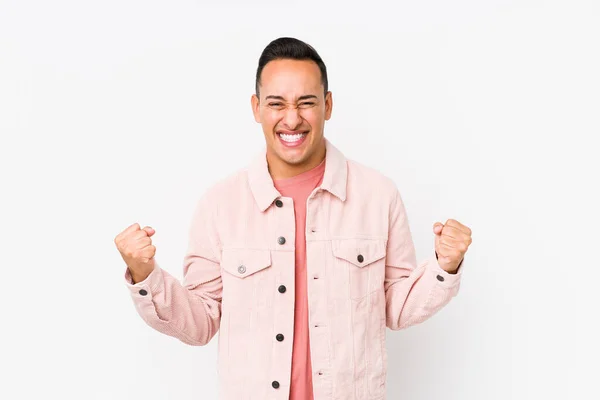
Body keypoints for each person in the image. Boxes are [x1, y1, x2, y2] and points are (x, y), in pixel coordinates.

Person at [114, 37, 473, 400]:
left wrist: (445, 265)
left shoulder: (378, 196)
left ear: (328, 105)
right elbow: (201, 322)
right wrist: (146, 276)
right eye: (276, 103)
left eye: (306, 103)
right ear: (256, 108)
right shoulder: (220, 204)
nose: (292, 118)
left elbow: (397, 307)